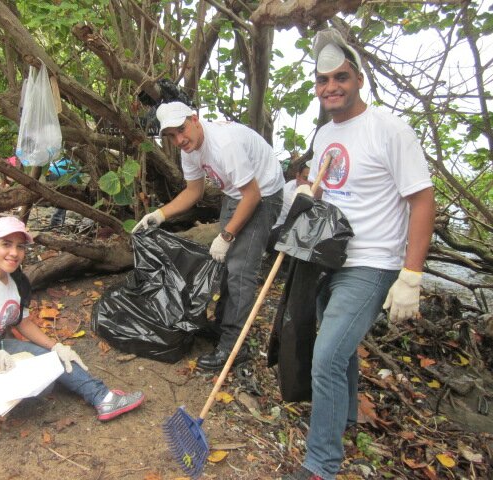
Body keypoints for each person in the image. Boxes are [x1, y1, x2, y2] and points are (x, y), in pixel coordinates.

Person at [282, 30, 435, 480]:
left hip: (372, 262)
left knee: (326, 355)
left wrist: (412, 274)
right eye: (323, 79)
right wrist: (306, 189)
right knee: (340, 349)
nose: (331, 86)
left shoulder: (390, 129)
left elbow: (422, 199)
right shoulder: (325, 131)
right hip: (328, 256)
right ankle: (344, 418)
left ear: (359, 79)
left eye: (341, 77)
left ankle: (320, 465)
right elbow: (321, 182)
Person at [0, 216, 144, 422]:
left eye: (20, 247)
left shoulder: (11, 281)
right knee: (38, 385)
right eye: (6, 244)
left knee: (52, 359)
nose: (14, 253)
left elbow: (23, 322)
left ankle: (103, 398)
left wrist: (56, 346)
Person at [132, 102, 285, 370]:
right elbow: (194, 192)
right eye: (171, 136)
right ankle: (223, 324)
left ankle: (235, 346)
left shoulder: (224, 145)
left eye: (181, 130)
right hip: (236, 194)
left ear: (195, 119)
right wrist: (158, 215)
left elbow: (253, 195)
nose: (179, 140)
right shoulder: (189, 149)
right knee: (223, 265)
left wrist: (226, 236)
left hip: (264, 194)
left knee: (240, 269)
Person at [266, 161, 311, 253]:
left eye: (312, 181)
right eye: (305, 178)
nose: (309, 184)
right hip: (272, 235)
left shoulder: (296, 185)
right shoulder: (289, 193)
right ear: (298, 176)